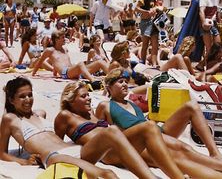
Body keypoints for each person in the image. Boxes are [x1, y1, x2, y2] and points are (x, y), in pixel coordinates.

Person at [96, 68, 222, 178]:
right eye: (120, 82)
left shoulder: (132, 103)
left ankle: (215, 153)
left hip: (155, 132)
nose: (125, 84)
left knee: (191, 106)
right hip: (139, 143)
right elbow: (96, 134)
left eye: (126, 81)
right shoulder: (105, 106)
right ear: (109, 87)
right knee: (182, 150)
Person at [0, 76, 133, 179]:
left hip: (76, 150)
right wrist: (24, 162)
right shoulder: (10, 119)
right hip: (56, 156)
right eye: (22, 97)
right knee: (106, 174)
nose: (28, 99)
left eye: (30, 95)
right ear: (11, 100)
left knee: (113, 137)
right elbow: (2, 153)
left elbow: (53, 138)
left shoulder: (40, 113)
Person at [55, 81, 188, 179]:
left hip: (117, 145)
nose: (89, 98)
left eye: (88, 95)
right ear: (71, 101)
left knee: (167, 156)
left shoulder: (90, 114)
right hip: (105, 153)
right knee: (148, 126)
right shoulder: (65, 116)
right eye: (83, 96)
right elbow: (56, 143)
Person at [32, 30, 108, 87]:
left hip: (74, 71)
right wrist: (33, 73)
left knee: (100, 62)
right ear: (56, 40)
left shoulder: (64, 49)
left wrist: (54, 73)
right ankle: (93, 81)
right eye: (62, 38)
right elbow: (40, 62)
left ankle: (114, 77)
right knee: (80, 64)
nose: (64, 39)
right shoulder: (50, 50)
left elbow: (57, 62)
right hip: (66, 73)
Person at [135, 0, 163, 67]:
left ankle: (154, 64)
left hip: (154, 23)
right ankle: (142, 62)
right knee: (145, 44)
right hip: (146, 23)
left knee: (155, 44)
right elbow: (136, 8)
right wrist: (147, 12)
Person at [198, 0, 221, 70]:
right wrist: (204, 23)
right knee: (209, 48)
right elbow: (201, 11)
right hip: (206, 25)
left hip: (214, 24)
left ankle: (201, 64)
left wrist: (220, 22)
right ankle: (208, 68)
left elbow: (217, 12)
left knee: (218, 46)